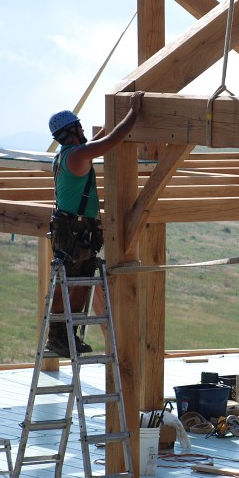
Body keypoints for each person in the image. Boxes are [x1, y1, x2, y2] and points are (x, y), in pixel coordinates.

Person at [45, 91, 145, 357]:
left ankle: (68, 335)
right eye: (79, 127)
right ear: (71, 132)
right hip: (75, 231)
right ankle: (58, 337)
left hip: (74, 229)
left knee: (80, 281)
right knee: (72, 283)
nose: (82, 130)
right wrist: (134, 112)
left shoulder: (66, 155)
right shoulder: (77, 156)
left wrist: (111, 122)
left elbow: (99, 141)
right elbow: (111, 141)